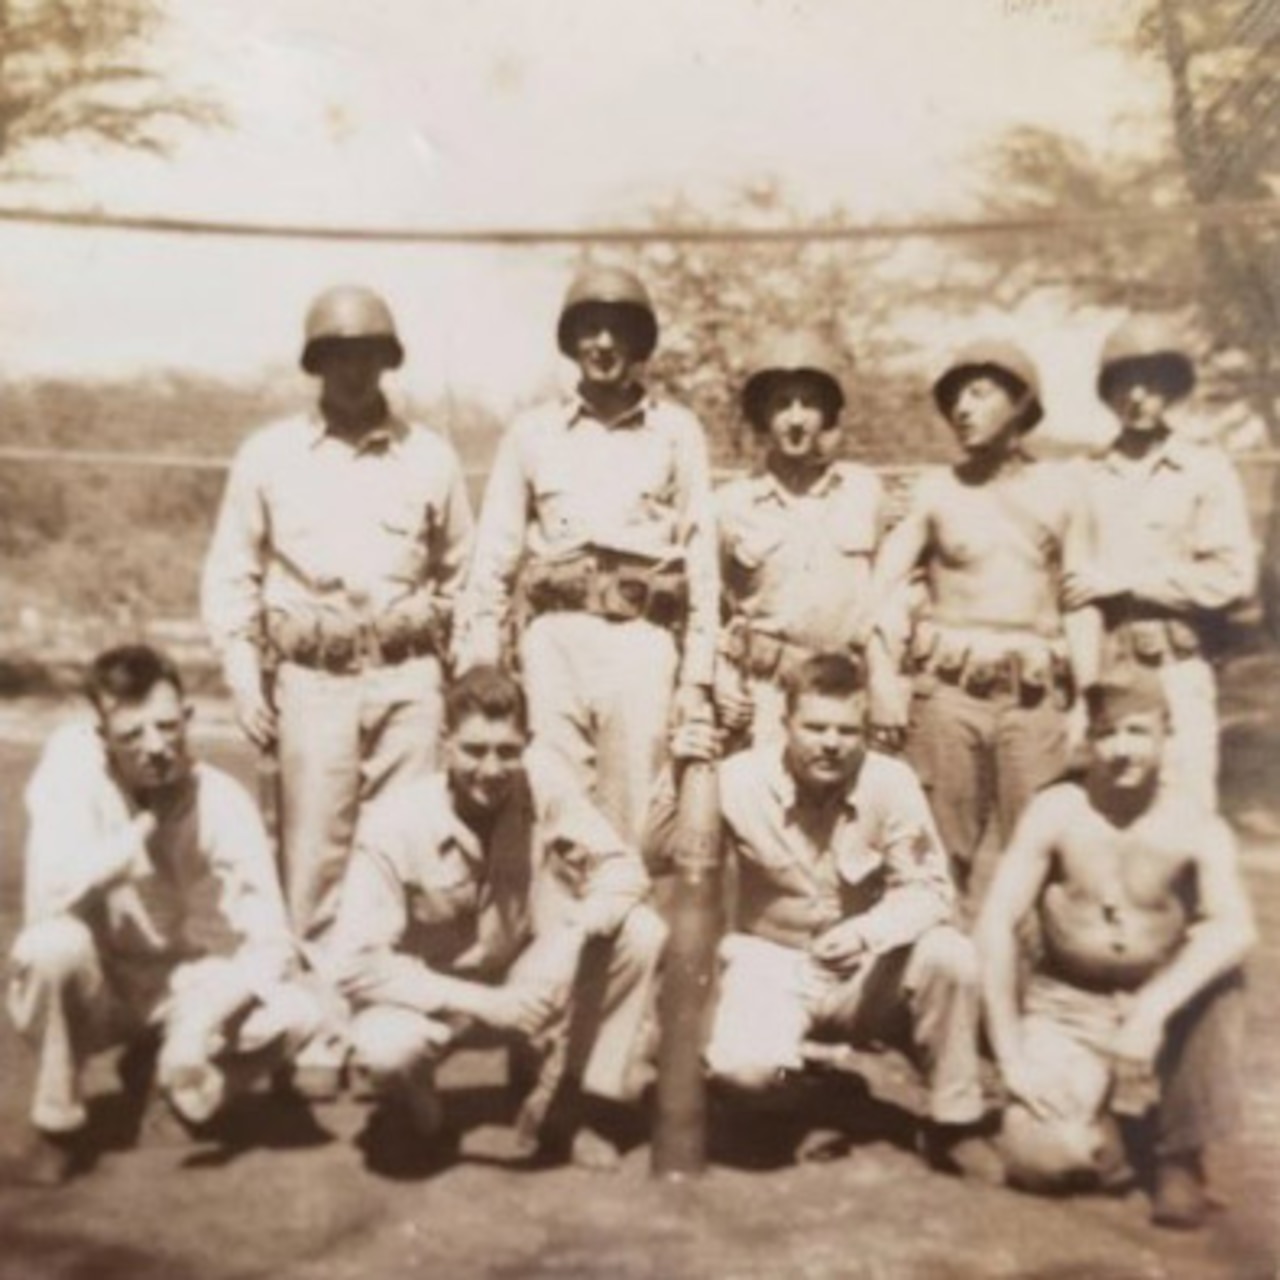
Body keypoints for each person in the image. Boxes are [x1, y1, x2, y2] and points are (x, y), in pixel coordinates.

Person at [201, 285, 474, 1087]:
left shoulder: (430, 455)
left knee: (403, 849)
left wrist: (455, 676)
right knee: (315, 858)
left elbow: (463, 574)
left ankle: (388, 1019)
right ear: (316, 365)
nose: (354, 371)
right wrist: (246, 679)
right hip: (312, 679)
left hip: (408, 677)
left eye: (369, 354)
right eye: (338, 355)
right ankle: (319, 1025)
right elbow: (232, 577)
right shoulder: (270, 455)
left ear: (388, 362)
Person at [648, 652, 1002, 1179]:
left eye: (846, 730)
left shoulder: (891, 781)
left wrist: (868, 931)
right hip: (771, 967)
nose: (831, 743)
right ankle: (809, 1093)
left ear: (863, 730)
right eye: (815, 727)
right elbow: (656, 854)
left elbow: (930, 890)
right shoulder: (739, 778)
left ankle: (955, 1122)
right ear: (786, 723)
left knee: (951, 955)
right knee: (744, 1075)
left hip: (864, 973)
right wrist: (675, 775)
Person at [327, 665, 665, 1171]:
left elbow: (622, 869)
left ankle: (569, 1100)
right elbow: (353, 964)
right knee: (385, 1048)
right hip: (429, 1002)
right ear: (444, 745)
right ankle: (418, 1109)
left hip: (523, 987)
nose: (491, 769)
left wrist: (572, 937)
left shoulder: (541, 784)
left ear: (526, 744)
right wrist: (486, 1004)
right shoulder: (395, 822)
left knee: (640, 931)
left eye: (507, 751)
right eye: (474, 750)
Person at [4, 645, 320, 1187]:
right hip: (93, 980)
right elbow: (50, 896)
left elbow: (269, 936)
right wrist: (145, 827)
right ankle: (57, 1123)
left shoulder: (219, 796)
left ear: (188, 720)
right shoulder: (70, 765)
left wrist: (200, 1026)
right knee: (48, 947)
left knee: (301, 1009)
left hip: (169, 979)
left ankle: (171, 1080)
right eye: (131, 735)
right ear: (102, 738)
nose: (155, 747)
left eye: (168, 726)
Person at [976, 664, 1255, 1228]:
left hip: (1157, 1008)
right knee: (1046, 1162)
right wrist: (1011, 1056)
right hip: (1066, 1007)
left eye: (1137, 732)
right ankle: (1119, 1133)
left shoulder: (1194, 823)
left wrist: (1152, 1008)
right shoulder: (1058, 811)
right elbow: (994, 924)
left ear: (1165, 737)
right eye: (1107, 734)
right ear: (1089, 739)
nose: (1122, 750)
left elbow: (1236, 927)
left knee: (1221, 976)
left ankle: (1180, 1156)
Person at [457, 265, 718, 845]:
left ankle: (629, 935)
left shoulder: (676, 432)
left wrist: (697, 679)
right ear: (573, 342)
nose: (603, 344)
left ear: (639, 342)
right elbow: (493, 559)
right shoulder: (533, 433)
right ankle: (558, 935)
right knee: (552, 807)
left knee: (636, 817)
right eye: (590, 330)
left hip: (642, 644)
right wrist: (481, 663)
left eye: (617, 330)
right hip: (554, 643)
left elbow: (703, 564)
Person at [868, 340, 1094, 899]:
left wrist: (1089, 701)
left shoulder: (1065, 491)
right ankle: (936, 982)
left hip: (1035, 700)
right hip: (948, 698)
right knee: (933, 864)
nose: (962, 409)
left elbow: (1080, 600)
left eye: (979, 392)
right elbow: (880, 588)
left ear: (1020, 403)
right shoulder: (935, 491)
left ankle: (1026, 987)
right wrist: (882, 677)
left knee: (1041, 860)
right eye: (954, 400)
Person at [1064, 315, 1256, 812]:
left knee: (1186, 816)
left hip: (1178, 669)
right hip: (1109, 673)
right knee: (1110, 822)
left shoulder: (1205, 469)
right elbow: (1077, 588)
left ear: (1172, 388)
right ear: (1108, 393)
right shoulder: (1085, 476)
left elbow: (1232, 578)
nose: (1138, 397)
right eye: (1124, 383)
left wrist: (1126, 583)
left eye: (1152, 383)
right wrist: (1085, 696)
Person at [714, 332, 885, 746]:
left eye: (808, 404)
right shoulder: (730, 504)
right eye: (780, 404)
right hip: (766, 694)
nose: (795, 419)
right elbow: (709, 608)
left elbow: (889, 600)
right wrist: (721, 679)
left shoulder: (864, 492)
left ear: (827, 413)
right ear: (761, 417)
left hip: (845, 693)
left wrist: (886, 680)